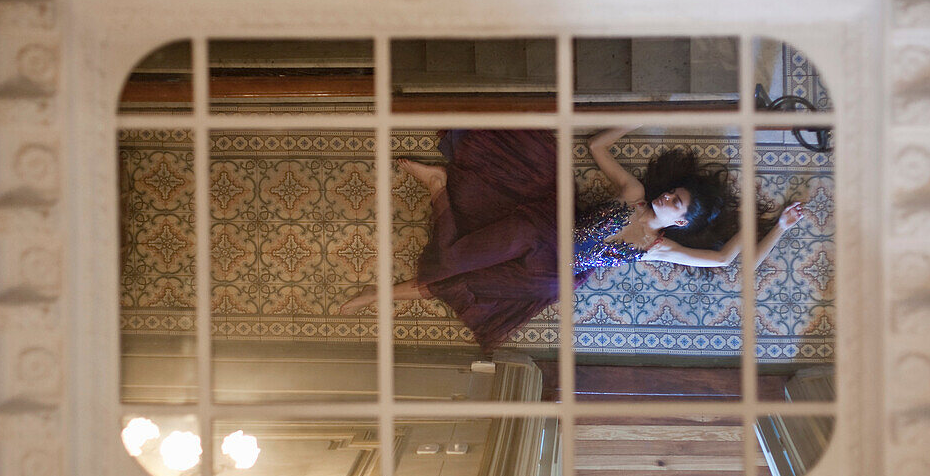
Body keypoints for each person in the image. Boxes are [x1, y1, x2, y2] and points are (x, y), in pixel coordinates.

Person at [339, 128, 805, 352]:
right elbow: (597, 148)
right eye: (676, 191)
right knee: (457, 259)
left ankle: (375, 296)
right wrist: (637, 118)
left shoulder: (658, 247)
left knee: (468, 281)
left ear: (680, 222)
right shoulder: (634, 194)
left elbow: (727, 260)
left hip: (552, 275)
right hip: (541, 230)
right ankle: (440, 188)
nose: (668, 196)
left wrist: (778, 228)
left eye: (677, 203)